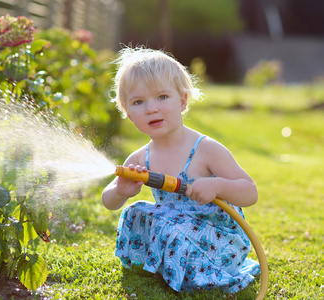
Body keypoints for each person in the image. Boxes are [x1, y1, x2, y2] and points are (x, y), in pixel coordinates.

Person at [102, 47, 260, 293]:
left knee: (170, 224)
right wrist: (121, 191)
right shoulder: (141, 157)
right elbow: (108, 201)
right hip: (177, 232)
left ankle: (197, 274)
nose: (151, 108)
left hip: (218, 243)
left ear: (183, 100)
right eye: (138, 102)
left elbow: (250, 192)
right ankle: (169, 266)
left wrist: (217, 185)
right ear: (128, 113)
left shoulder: (205, 149)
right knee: (136, 211)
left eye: (162, 97)